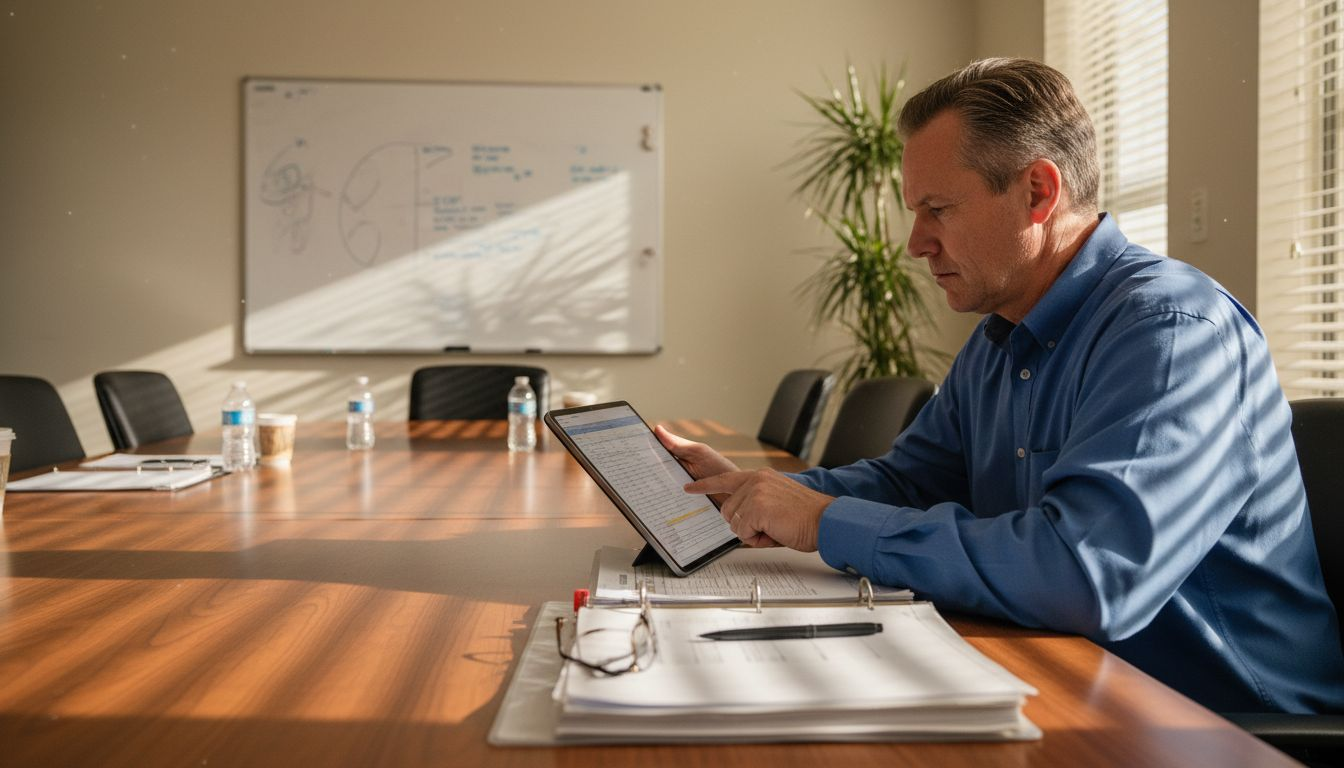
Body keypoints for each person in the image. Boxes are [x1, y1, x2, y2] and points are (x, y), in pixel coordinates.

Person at [656, 58, 1344, 715]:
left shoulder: (1171, 333)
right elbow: (909, 483)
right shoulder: (998, 340)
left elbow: (1086, 576)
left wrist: (822, 520)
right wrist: (760, 495)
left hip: (1216, 724)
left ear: (1038, 192)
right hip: (1064, 678)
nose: (916, 243)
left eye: (938, 209)